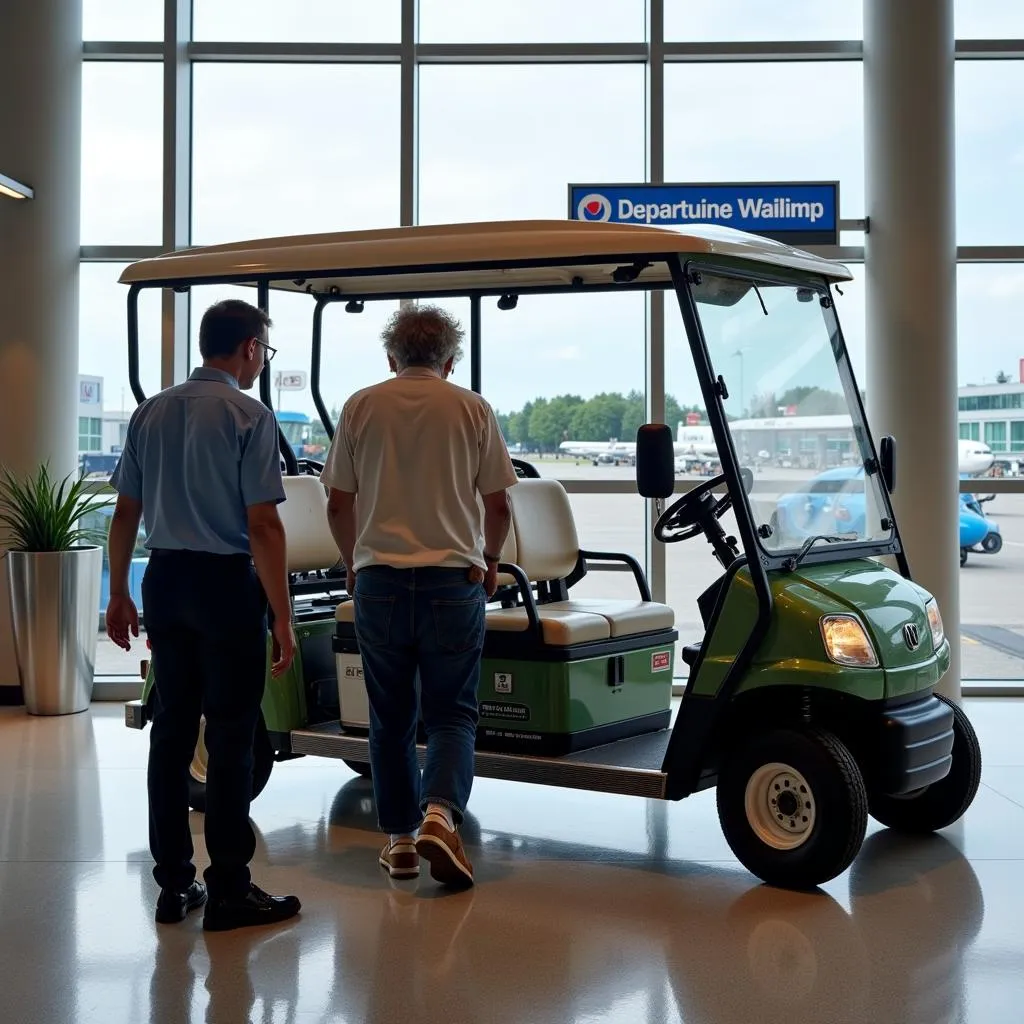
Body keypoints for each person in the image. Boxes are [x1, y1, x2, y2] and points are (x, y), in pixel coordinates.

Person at [105, 298, 302, 931]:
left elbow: (126, 514)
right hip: (224, 587)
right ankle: (230, 889)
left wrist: (118, 593)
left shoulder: (149, 412)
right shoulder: (250, 414)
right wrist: (282, 614)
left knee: (170, 734)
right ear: (248, 348)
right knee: (230, 738)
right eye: (263, 352)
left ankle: (172, 886)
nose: (260, 364)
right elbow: (265, 525)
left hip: (165, 581)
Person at [321, 304, 516, 888]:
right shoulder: (472, 408)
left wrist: (354, 562)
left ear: (391, 357)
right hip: (451, 581)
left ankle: (401, 842)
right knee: (452, 712)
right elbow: (499, 503)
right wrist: (491, 560)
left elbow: (336, 502)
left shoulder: (360, 406)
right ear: (449, 360)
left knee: (390, 715)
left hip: (378, 580)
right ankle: (439, 814)